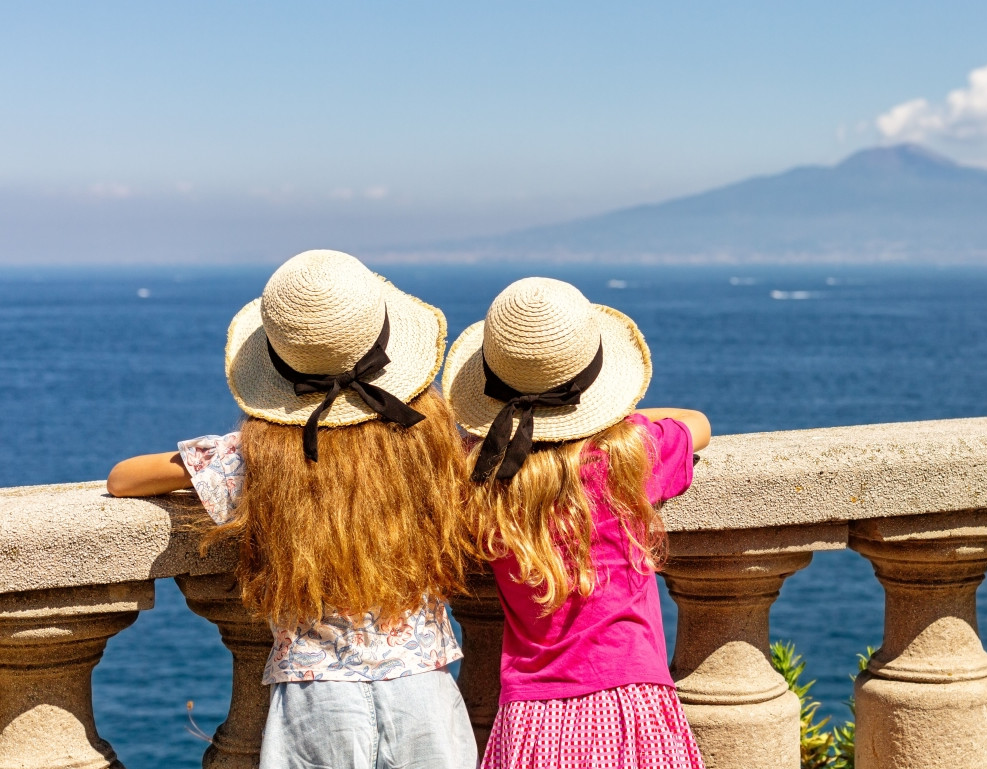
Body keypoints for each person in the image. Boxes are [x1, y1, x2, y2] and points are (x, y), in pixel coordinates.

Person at [107, 250, 477, 769]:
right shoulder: (431, 441)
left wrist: (221, 452)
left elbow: (124, 478)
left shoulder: (257, 459)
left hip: (315, 694)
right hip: (423, 687)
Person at [441, 277, 711, 769]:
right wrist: (615, 420)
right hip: (634, 704)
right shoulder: (631, 457)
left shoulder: (483, 479)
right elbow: (697, 423)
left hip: (533, 716)